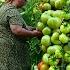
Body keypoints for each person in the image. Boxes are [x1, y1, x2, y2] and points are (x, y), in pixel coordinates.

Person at [0, 0, 42, 70]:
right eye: (25, 0)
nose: (26, 2)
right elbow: (17, 30)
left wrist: (34, 28)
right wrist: (33, 34)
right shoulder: (12, 11)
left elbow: (19, 26)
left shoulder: (4, 8)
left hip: (4, 50)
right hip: (11, 52)